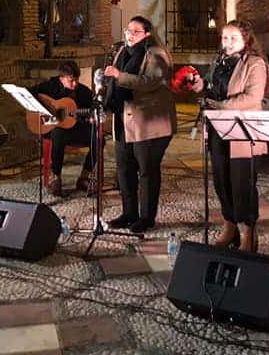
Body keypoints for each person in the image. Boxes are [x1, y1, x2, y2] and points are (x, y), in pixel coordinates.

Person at [190, 19, 269, 252]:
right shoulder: (218, 62)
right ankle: (230, 225)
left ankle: (248, 233)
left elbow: (253, 97)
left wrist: (220, 105)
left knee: (242, 184)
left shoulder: (255, 64)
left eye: (233, 38)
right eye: (225, 37)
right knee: (222, 181)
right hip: (217, 129)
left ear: (246, 39)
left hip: (243, 132)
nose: (228, 42)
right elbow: (211, 86)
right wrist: (199, 86)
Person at [103, 16, 176, 233]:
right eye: (128, 31)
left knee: (147, 172)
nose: (129, 35)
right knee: (124, 170)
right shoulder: (123, 52)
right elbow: (114, 82)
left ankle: (147, 217)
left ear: (147, 34)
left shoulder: (156, 54)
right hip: (124, 121)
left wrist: (119, 75)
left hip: (149, 124)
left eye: (135, 32)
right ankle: (129, 213)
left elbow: (151, 82)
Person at [30, 60, 99, 197]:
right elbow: (30, 93)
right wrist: (47, 109)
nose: (75, 84)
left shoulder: (83, 92)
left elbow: (95, 107)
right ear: (61, 78)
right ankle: (57, 177)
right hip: (52, 129)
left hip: (75, 128)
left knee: (99, 138)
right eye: (71, 80)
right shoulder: (51, 86)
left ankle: (84, 177)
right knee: (58, 133)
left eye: (77, 80)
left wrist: (92, 117)